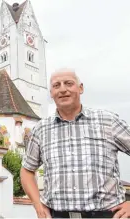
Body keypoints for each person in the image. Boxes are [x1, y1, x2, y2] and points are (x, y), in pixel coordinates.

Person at [20, 68, 130, 218]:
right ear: (51, 93)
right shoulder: (41, 129)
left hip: (107, 215)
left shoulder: (108, 121)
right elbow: (27, 170)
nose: (63, 89)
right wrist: (37, 204)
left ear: (81, 88)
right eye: (56, 85)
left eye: (69, 83)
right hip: (58, 215)